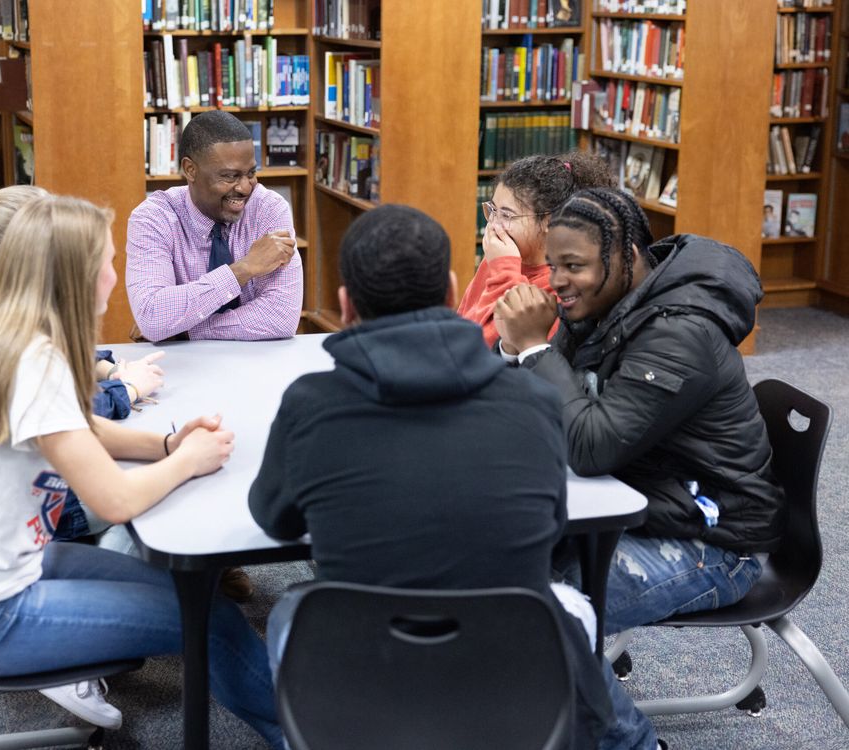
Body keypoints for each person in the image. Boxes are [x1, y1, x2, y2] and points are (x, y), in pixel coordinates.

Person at [249, 204, 658, 750]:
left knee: (288, 610)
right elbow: (549, 523)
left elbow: (273, 518)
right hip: (509, 667)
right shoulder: (534, 401)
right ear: (449, 292)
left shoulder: (311, 404)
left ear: (346, 307)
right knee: (570, 605)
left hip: (362, 664)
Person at [0, 194, 283, 747]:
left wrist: (166, 442)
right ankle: (308, 733)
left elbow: (78, 428)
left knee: (194, 593)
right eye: (107, 261)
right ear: (74, 276)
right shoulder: (31, 361)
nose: (115, 273)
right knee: (211, 621)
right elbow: (114, 504)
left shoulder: (4, 334)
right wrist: (186, 461)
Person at [493, 187, 784, 634]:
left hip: (712, 543)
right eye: (553, 266)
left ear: (625, 255)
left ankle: (582, 695)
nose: (557, 282)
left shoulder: (681, 335)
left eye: (574, 266)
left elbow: (592, 448)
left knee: (541, 617)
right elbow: (543, 414)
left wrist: (534, 349)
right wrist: (514, 350)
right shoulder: (601, 302)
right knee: (484, 562)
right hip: (638, 502)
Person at [0, 184, 166, 552]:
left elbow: (60, 407)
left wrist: (109, 376)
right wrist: (129, 392)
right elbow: (70, 413)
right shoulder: (7, 334)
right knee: (155, 502)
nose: (113, 276)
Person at [126, 110, 303, 342]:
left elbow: (281, 317)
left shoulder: (268, 209)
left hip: (257, 364)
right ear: (190, 170)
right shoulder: (153, 218)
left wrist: (186, 330)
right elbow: (152, 315)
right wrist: (244, 269)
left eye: (251, 173)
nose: (245, 188)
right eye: (230, 177)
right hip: (182, 369)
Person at [457, 151, 615, 348]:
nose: (493, 225)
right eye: (493, 210)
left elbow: (490, 346)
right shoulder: (502, 254)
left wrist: (504, 270)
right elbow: (464, 322)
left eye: (506, 215)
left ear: (551, 222)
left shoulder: (562, 286)